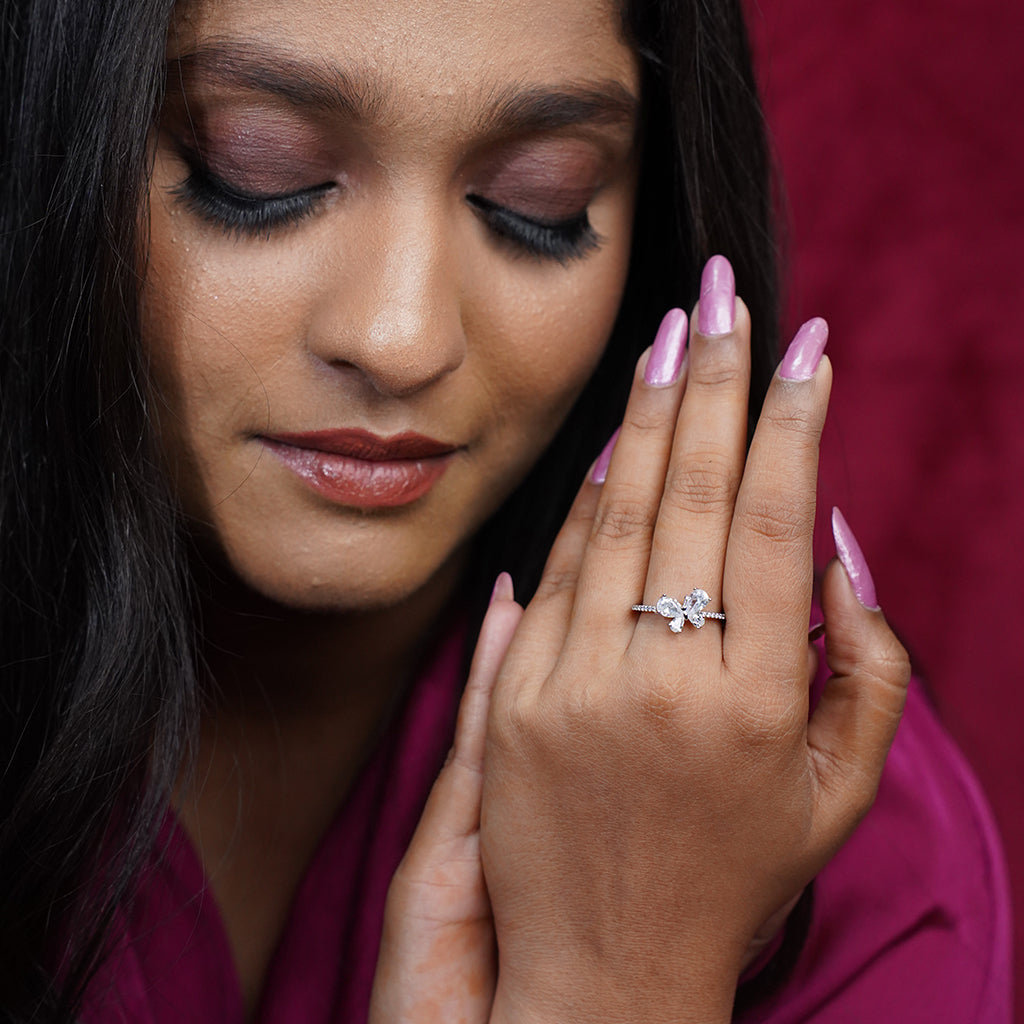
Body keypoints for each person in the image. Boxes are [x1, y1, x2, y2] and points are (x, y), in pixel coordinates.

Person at [0, 0, 1010, 1021]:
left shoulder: (803, 798)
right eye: (257, 170)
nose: (401, 337)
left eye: (540, 199)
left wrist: (625, 972)